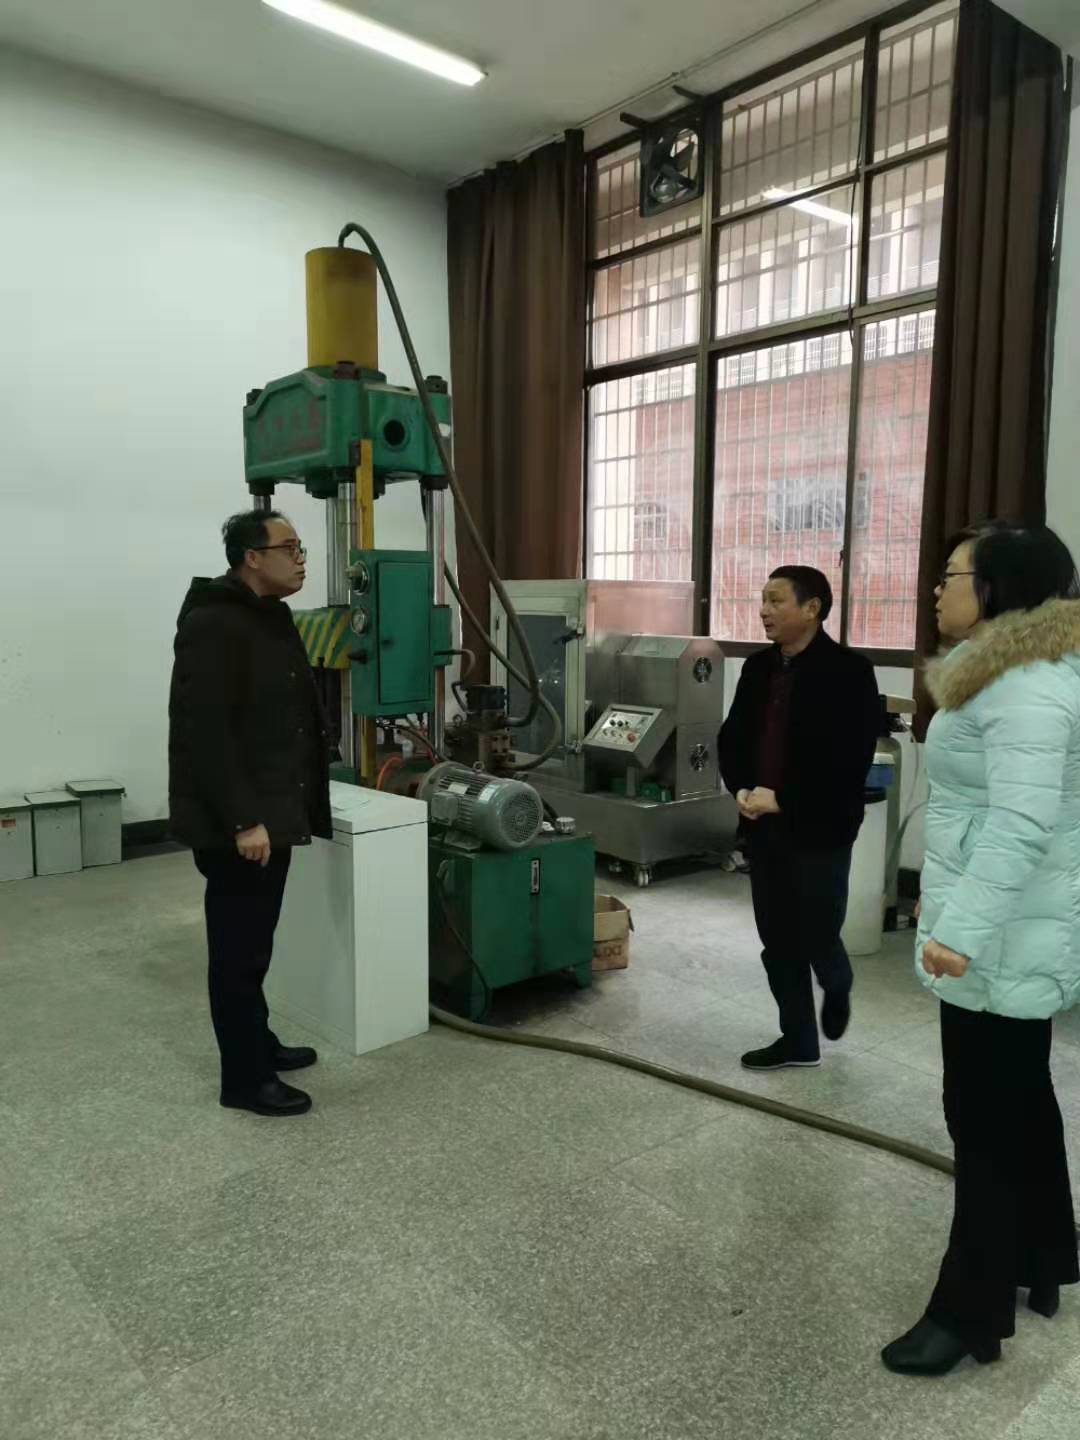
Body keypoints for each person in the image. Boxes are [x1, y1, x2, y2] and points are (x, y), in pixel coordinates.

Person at [882, 524, 1080, 1376]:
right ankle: (1047, 1256)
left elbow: (1020, 825)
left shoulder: (1026, 686)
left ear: (998, 588)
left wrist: (958, 931)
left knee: (984, 1121)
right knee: (1021, 1102)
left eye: (952, 575)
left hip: (1000, 937)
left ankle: (969, 1314)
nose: (938, 589)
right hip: (1009, 926)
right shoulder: (1011, 671)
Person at [168, 510, 332, 1117]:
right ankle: (243, 1080)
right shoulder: (213, 624)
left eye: (301, 547)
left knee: (255, 945)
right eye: (289, 547)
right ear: (251, 558)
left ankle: (257, 1044)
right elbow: (206, 733)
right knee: (237, 955)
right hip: (238, 824)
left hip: (271, 809)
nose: (300, 558)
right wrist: (243, 819)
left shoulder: (270, 615)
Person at [719, 566, 880, 1070]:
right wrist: (741, 787)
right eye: (763, 600)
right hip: (762, 826)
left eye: (776, 601)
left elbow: (849, 760)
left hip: (820, 826)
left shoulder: (850, 672)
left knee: (817, 928)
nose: (763, 611)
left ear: (812, 608)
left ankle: (837, 979)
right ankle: (799, 1041)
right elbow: (733, 737)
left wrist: (783, 798)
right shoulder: (757, 668)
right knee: (777, 939)